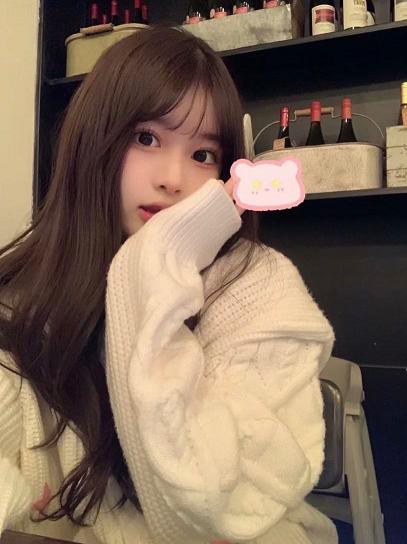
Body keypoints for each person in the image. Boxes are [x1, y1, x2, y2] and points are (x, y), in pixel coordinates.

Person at [0, 24, 338, 544]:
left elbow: (209, 507)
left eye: (203, 155)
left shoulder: (257, 285)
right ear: (93, 140)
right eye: (146, 138)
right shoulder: (21, 291)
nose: (173, 179)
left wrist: (158, 259)